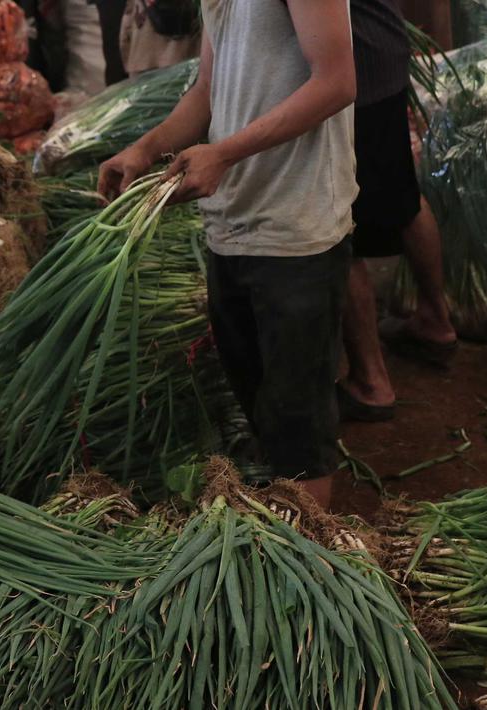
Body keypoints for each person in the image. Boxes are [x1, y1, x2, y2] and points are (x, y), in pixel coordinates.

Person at [98, 0, 358, 508]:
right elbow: (207, 92)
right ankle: (276, 543)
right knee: (261, 405)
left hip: (296, 230)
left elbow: (337, 82)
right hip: (231, 223)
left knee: (297, 430)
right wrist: (145, 149)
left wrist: (225, 153)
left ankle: (306, 564)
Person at [337, 0, 458, 422]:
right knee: (404, 197)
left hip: (351, 73)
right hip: (381, 54)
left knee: (338, 225)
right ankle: (435, 320)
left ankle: (371, 382)